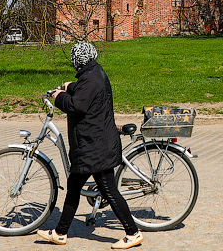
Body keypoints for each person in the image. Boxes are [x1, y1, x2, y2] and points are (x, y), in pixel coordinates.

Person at [36, 41, 143, 249]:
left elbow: (77, 105)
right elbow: (85, 91)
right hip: (92, 144)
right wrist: (71, 87)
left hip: (95, 146)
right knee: (74, 186)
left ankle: (133, 232)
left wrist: (59, 97)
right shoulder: (94, 73)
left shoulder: (91, 77)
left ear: (77, 61)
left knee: (109, 190)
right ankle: (60, 233)